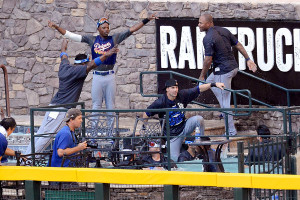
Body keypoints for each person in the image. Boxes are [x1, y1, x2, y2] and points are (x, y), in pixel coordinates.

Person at [48, 14, 158, 126]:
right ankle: (94, 132)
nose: (106, 29)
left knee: (110, 105)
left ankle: (110, 133)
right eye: (104, 27)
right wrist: (57, 27)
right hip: (97, 75)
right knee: (96, 105)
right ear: (98, 29)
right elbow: (72, 36)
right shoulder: (92, 39)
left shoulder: (114, 38)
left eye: (108, 27)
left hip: (109, 75)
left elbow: (132, 29)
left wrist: (147, 19)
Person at [25, 39, 119, 154]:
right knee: (47, 137)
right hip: (61, 110)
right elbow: (94, 63)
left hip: (52, 106)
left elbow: (63, 56)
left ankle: (25, 155)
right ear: (83, 64)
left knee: (41, 133)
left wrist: (64, 46)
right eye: (86, 65)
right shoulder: (78, 71)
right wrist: (107, 54)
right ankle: (29, 159)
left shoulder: (64, 66)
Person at [198, 14, 257, 136]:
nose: (198, 25)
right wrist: (248, 59)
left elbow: (208, 60)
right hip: (233, 68)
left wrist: (201, 75)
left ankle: (231, 131)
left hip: (223, 71)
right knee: (209, 83)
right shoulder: (224, 30)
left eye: (200, 23)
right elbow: (238, 45)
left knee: (225, 102)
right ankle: (225, 113)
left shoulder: (208, 38)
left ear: (209, 23)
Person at [143, 78, 225, 161]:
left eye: (176, 87)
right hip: (173, 136)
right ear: (167, 89)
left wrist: (213, 84)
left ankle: (200, 144)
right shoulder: (160, 102)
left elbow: (198, 88)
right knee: (174, 159)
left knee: (198, 119)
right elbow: (146, 113)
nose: (175, 90)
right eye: (172, 88)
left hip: (184, 127)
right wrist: (143, 128)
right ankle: (183, 148)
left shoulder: (182, 95)